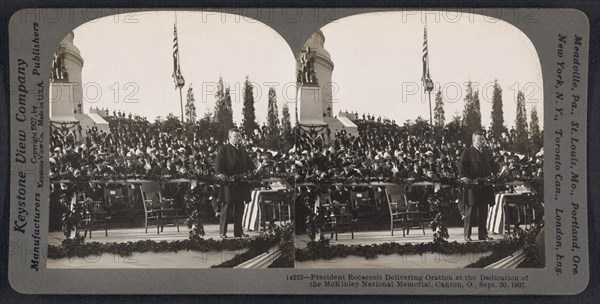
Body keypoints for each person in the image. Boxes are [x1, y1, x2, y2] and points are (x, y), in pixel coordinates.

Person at [214, 128, 256, 238]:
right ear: (230, 138)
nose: (238, 139)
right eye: (235, 136)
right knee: (226, 209)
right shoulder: (224, 149)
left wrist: (254, 169)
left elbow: (249, 163)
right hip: (228, 183)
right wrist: (220, 174)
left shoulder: (242, 150)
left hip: (241, 183)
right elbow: (218, 164)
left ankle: (238, 232)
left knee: (239, 209)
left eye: (239, 136)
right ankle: (223, 232)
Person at [458, 131, 497, 242]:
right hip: (472, 186)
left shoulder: (487, 152)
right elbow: (461, 165)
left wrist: (498, 172)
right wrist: (463, 177)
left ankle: (483, 235)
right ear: (474, 141)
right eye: (479, 140)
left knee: (483, 211)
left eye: (483, 139)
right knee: (469, 211)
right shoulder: (468, 152)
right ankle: (467, 235)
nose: (482, 142)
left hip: (485, 186)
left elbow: (493, 166)